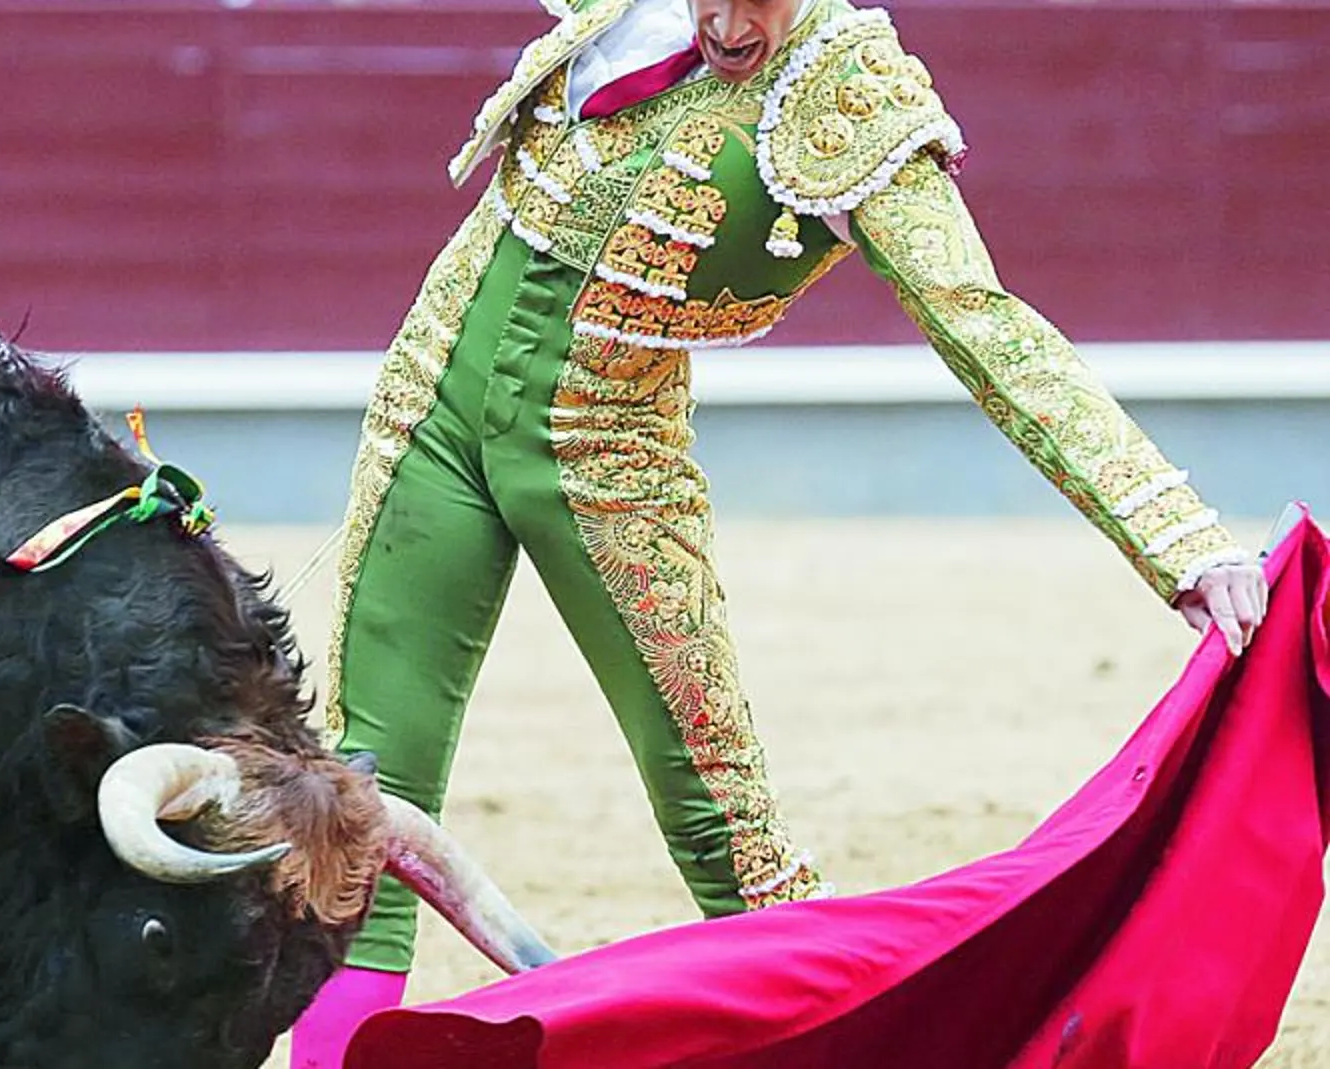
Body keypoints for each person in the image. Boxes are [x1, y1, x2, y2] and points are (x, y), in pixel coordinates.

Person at [291, 0, 1270, 1064]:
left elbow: (979, 319)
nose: (717, 18)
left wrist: (1178, 538)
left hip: (602, 452)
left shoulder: (846, 93)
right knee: (358, 798)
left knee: (729, 837)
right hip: (430, 403)